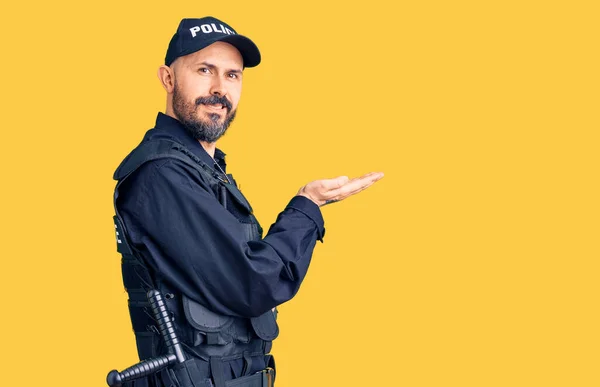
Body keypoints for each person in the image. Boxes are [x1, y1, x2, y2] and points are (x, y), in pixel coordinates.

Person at [111, 16, 384, 387]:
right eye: (205, 70)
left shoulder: (204, 169)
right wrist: (307, 206)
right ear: (168, 78)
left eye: (232, 75)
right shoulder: (162, 175)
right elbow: (254, 283)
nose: (219, 89)